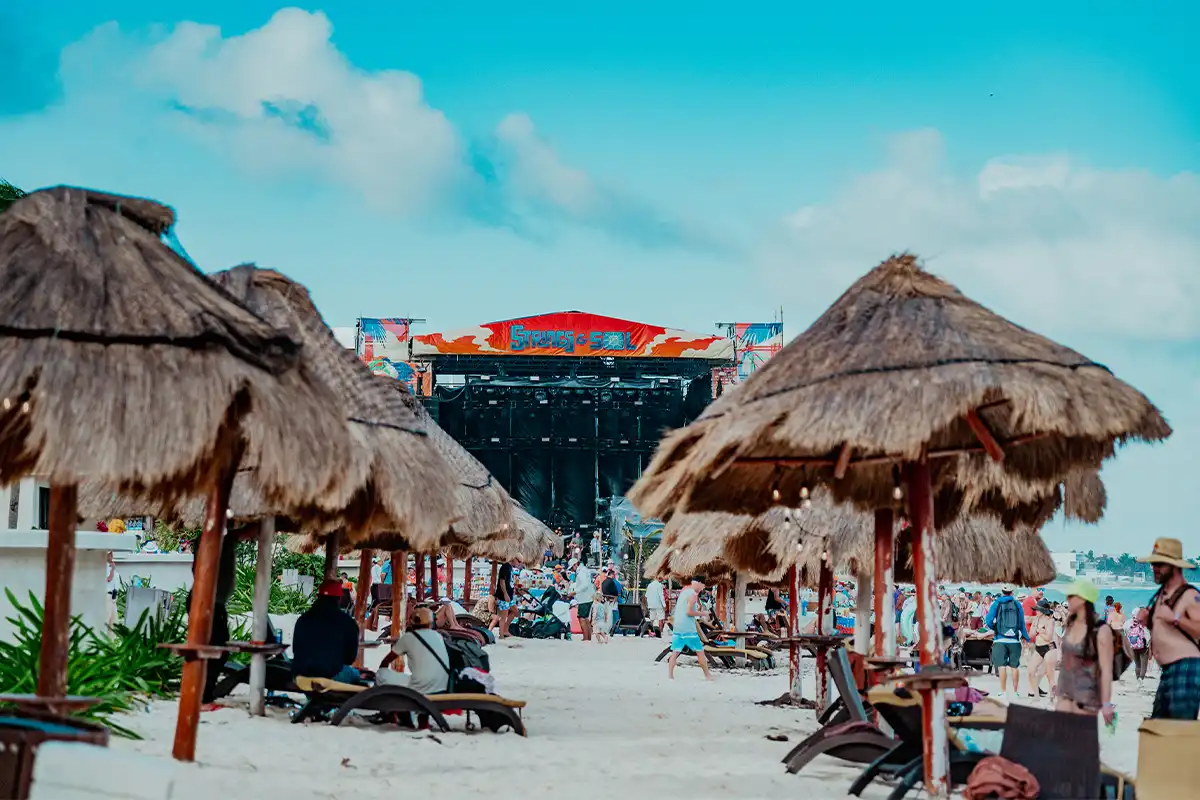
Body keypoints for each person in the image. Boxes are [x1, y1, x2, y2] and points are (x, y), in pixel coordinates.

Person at [1135, 538, 1200, 719]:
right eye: (1153, 563)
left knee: (1177, 731)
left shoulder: (1190, 595)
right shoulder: (1162, 595)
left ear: (1175, 566)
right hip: (1169, 671)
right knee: (1161, 728)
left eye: (1160, 564)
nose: (1154, 568)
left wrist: (1176, 619)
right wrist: (1147, 621)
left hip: (1186, 668)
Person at [1056, 579, 1115, 726]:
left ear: (1082, 599)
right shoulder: (1070, 622)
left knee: (1080, 741)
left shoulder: (1101, 630)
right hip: (1065, 689)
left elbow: (1106, 670)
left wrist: (1106, 704)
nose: (1067, 599)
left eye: (1071, 596)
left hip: (1087, 694)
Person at [292, 579, 363, 684]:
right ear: (339, 598)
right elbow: (350, 659)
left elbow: (296, 650)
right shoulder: (347, 623)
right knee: (357, 675)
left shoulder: (303, 619)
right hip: (331, 676)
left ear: (318, 596)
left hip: (301, 677)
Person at [377, 607, 451, 695]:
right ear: (431, 623)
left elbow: (385, 661)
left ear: (412, 623)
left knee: (380, 674)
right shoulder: (438, 636)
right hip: (442, 685)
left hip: (419, 688)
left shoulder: (408, 637)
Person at [984, 584, 1030, 700]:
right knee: (1015, 667)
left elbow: (988, 620)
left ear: (1002, 591)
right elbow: (1021, 623)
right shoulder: (1017, 604)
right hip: (1014, 640)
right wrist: (1025, 636)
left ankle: (1003, 692)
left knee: (1002, 666)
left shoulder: (996, 603)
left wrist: (995, 628)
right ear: (1012, 592)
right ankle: (1015, 692)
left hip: (1000, 639)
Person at [667, 575, 713, 681]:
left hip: (678, 626)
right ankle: (708, 676)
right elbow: (689, 612)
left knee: (675, 651)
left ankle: (670, 676)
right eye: (703, 587)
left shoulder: (684, 592)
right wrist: (703, 613)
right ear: (699, 583)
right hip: (687, 628)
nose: (702, 589)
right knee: (699, 650)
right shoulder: (693, 594)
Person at [1027, 602, 1057, 698]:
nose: (1036, 611)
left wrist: (1039, 631)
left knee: (1049, 674)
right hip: (1038, 647)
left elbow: (1048, 637)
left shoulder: (1050, 620)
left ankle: (1052, 697)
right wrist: (1039, 631)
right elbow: (1031, 634)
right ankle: (1035, 694)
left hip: (1049, 648)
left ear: (1044, 611)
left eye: (1038, 609)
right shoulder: (1036, 619)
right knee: (1031, 671)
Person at [1124, 608, 1152, 687]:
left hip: (1133, 647)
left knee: (1137, 665)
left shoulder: (1128, 623)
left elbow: (1125, 633)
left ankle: (1137, 679)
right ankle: (1141, 679)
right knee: (1144, 665)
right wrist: (1148, 644)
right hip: (1142, 647)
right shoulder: (1143, 622)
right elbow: (1147, 636)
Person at [592, 567, 620, 644]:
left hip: (605, 599)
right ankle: (608, 629)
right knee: (610, 616)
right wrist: (615, 599)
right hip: (611, 600)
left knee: (606, 615)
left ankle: (605, 630)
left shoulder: (604, 581)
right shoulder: (611, 582)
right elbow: (616, 593)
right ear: (612, 575)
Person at [572, 558, 596, 641]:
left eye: (572, 567)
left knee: (581, 617)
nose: (572, 569)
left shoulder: (581, 572)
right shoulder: (584, 570)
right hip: (588, 597)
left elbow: (585, 584)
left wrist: (575, 592)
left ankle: (586, 638)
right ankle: (588, 638)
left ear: (575, 565)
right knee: (585, 618)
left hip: (584, 598)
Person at [494, 557, 518, 638]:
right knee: (503, 616)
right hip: (503, 595)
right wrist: (505, 593)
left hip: (509, 595)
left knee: (515, 611)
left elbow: (508, 581)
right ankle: (501, 634)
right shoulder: (505, 567)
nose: (519, 563)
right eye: (518, 561)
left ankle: (505, 630)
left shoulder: (510, 568)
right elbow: (502, 581)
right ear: (514, 559)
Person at [105, 552, 120, 629]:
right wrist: (112, 570)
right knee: (107, 617)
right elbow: (109, 579)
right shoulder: (105, 568)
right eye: (110, 555)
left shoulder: (111, 567)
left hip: (113, 596)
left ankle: (111, 639)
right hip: (107, 595)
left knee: (113, 620)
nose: (112, 556)